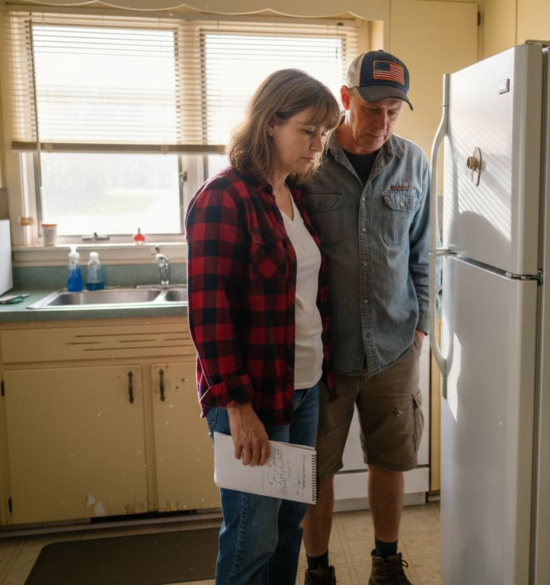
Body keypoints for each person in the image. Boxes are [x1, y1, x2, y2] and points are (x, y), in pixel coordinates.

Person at [186, 69, 341, 585]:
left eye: (324, 133)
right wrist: (238, 408)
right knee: (250, 538)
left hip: (303, 387)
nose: (318, 144)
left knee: (288, 524)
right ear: (271, 122)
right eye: (308, 131)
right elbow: (209, 313)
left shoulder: (294, 195)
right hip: (253, 396)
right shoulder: (223, 197)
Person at [299, 50, 430, 585]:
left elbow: (422, 253)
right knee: (315, 469)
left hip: (395, 346)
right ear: (346, 99)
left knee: (391, 460)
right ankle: (319, 571)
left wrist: (421, 328)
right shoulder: (309, 162)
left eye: (393, 111)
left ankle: (386, 562)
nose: (382, 122)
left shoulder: (413, 162)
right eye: (372, 108)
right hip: (326, 352)